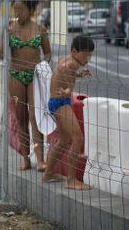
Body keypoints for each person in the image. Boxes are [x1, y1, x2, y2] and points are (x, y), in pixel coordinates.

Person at [0, 0, 52, 171]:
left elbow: (48, 52)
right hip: (16, 76)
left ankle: (40, 160)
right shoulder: (11, 28)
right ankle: (26, 159)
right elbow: (0, 54)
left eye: (20, 8)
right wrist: (4, 34)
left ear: (30, 10)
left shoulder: (39, 29)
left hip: (34, 76)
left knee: (35, 117)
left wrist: (43, 67)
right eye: (15, 8)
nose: (17, 12)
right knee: (21, 119)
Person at [43, 35, 94, 190]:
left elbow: (63, 75)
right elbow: (67, 89)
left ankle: (48, 173)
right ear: (74, 51)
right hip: (61, 102)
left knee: (64, 140)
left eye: (90, 55)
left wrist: (78, 75)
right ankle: (71, 180)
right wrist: (67, 91)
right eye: (85, 55)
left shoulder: (67, 59)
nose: (87, 59)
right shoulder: (71, 64)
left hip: (55, 102)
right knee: (78, 138)